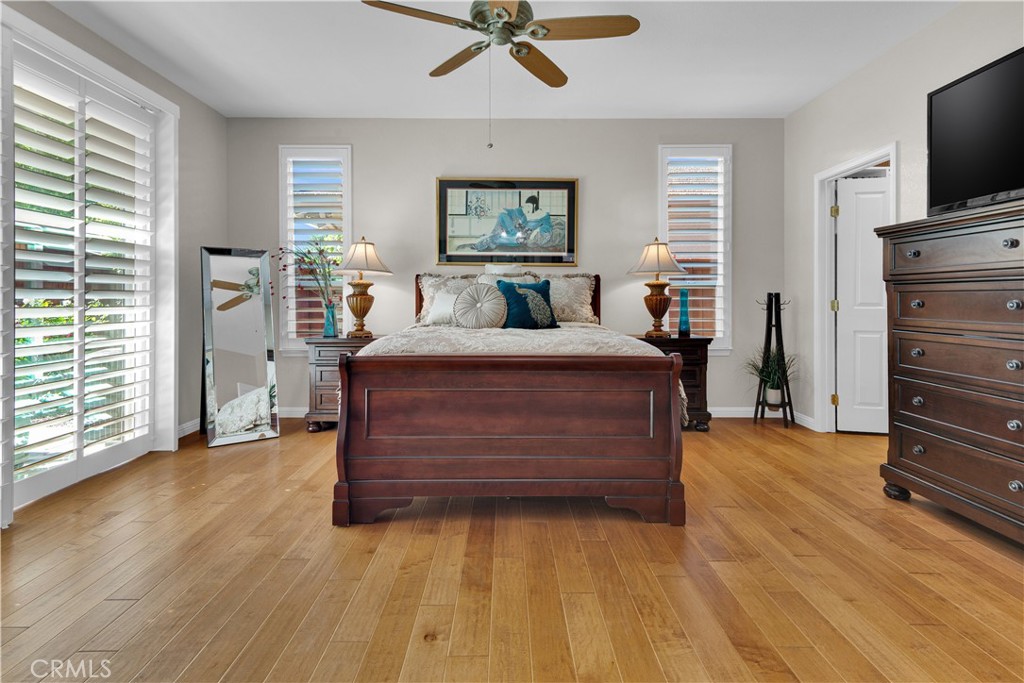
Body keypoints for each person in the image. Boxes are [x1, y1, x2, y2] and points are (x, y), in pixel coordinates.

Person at [465, 195, 554, 251]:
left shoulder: (543, 217)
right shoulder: (524, 212)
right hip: (515, 231)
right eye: (525, 206)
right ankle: (492, 239)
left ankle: (484, 243)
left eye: (528, 206)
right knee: (502, 215)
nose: (525, 209)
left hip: (520, 238)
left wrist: (534, 235)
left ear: (534, 206)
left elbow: (546, 231)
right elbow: (514, 212)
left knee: (495, 238)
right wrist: (503, 208)